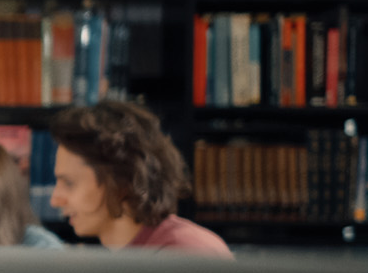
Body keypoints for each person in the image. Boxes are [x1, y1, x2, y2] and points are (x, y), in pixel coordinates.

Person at [48, 102, 233, 258]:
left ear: (121, 181)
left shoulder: (186, 253)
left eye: (69, 183)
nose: (55, 200)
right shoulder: (129, 259)